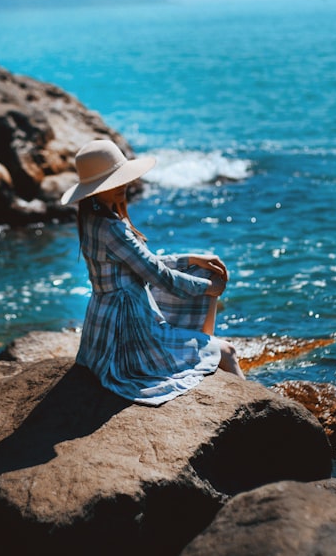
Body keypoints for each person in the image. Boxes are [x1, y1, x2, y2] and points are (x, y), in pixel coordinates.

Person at [61, 139, 244, 406]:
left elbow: (140, 262)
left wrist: (191, 259)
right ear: (95, 190)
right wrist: (209, 288)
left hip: (103, 329)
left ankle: (203, 346)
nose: (122, 185)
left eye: (120, 179)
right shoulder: (113, 228)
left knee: (195, 269)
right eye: (112, 182)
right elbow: (158, 275)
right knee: (227, 351)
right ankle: (240, 397)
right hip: (128, 333)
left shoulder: (91, 219)